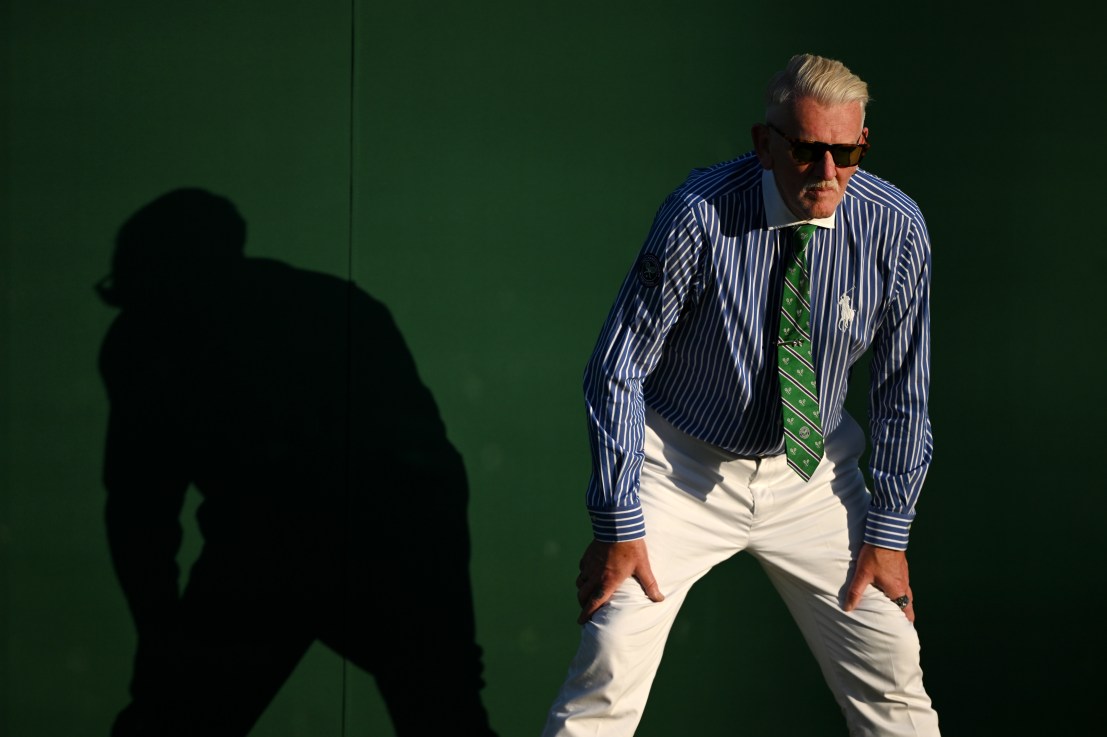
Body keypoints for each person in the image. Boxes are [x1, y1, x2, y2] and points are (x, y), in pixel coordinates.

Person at [541, 54, 940, 736]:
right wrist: (617, 520)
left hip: (813, 475)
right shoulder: (697, 215)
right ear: (765, 143)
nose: (825, 172)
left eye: (845, 152)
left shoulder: (895, 229)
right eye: (808, 149)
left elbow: (904, 392)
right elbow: (616, 368)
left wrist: (889, 530)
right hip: (677, 467)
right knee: (607, 662)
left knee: (894, 669)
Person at [97, 189, 497, 736]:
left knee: (170, 720)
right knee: (443, 713)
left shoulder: (144, 341)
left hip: (278, 544)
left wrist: (161, 634)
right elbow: (429, 467)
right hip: (393, 540)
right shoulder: (340, 308)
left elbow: (140, 511)